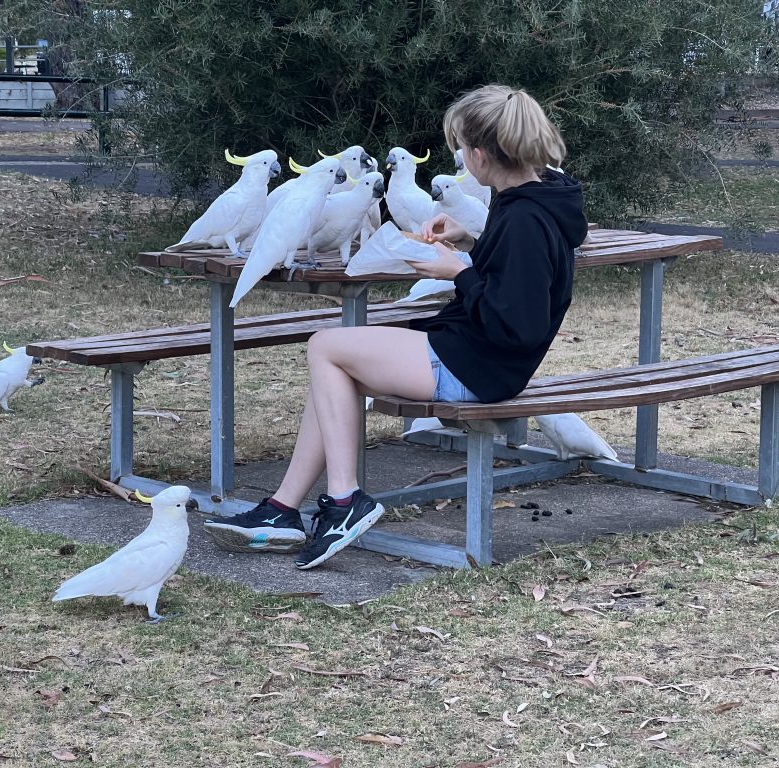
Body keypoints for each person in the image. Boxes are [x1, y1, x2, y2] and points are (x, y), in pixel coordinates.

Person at [204, 83, 588, 570]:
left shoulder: (525, 219)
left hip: (481, 368)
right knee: (336, 369)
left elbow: (521, 321)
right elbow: (516, 273)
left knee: (326, 347)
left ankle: (345, 502)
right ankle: (282, 509)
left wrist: (461, 273)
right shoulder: (535, 198)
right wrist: (471, 237)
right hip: (478, 354)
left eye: (460, 149)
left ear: (480, 154)